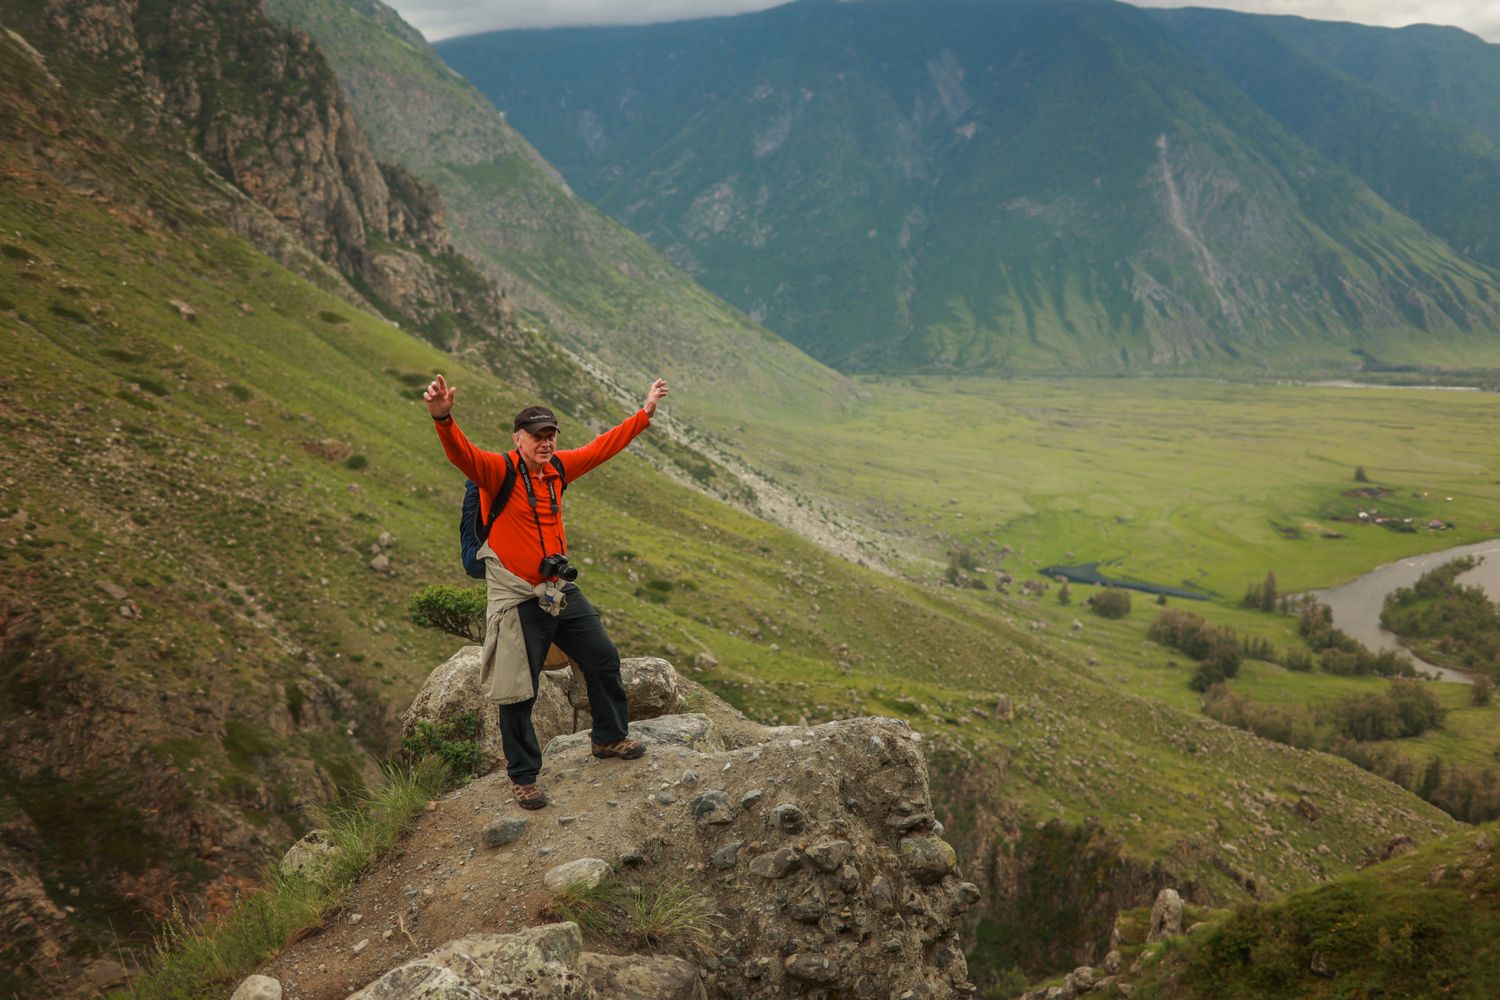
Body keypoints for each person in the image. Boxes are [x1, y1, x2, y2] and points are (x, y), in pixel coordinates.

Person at [423, 373, 670, 809]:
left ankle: (609, 739)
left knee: (603, 657)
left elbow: (601, 447)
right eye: (538, 436)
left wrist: (644, 414)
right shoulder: (496, 471)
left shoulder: (557, 470)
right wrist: (444, 418)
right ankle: (523, 777)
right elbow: (461, 455)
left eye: (551, 435)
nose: (546, 443)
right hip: (517, 595)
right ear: (518, 439)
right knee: (519, 690)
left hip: (557, 589)